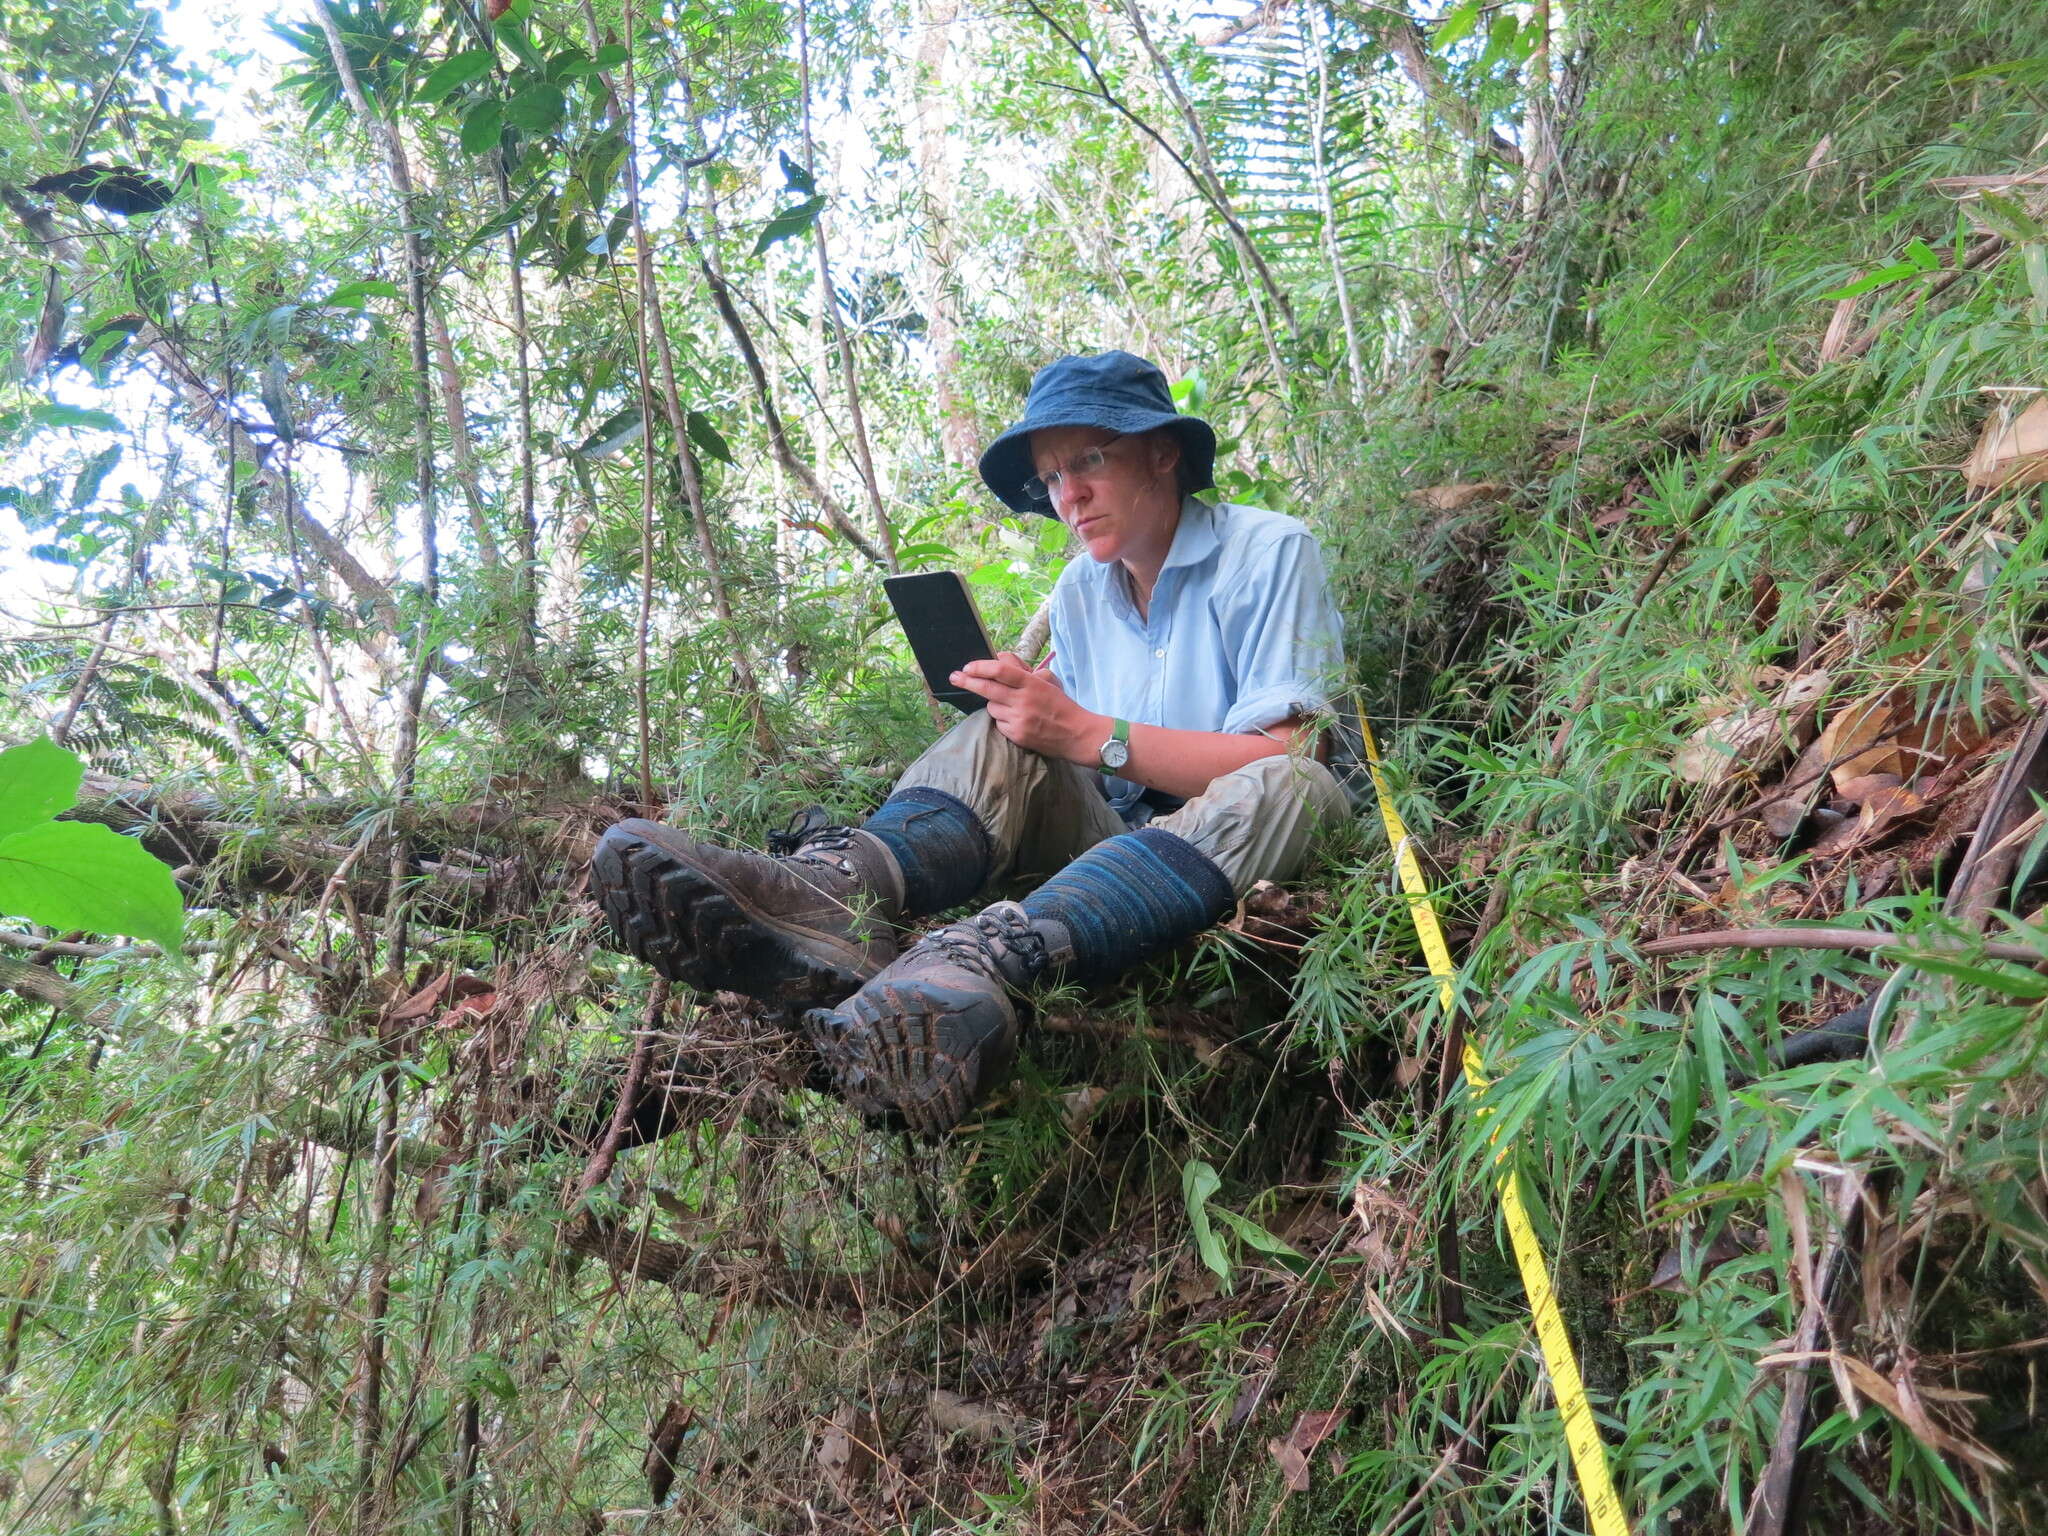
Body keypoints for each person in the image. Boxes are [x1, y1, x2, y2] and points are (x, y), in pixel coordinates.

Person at [591, 351, 1354, 1133]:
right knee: (1004, 723)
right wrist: (1036, 715)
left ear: (1163, 451)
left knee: (1296, 783)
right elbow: (1064, 750)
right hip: (1115, 841)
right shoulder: (1082, 590)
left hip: (1238, 842)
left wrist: (1091, 734)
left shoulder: (1268, 552)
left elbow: (1294, 752)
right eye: (1053, 478)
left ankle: (991, 958)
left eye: (1090, 459)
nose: (1070, 495)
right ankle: (839, 892)